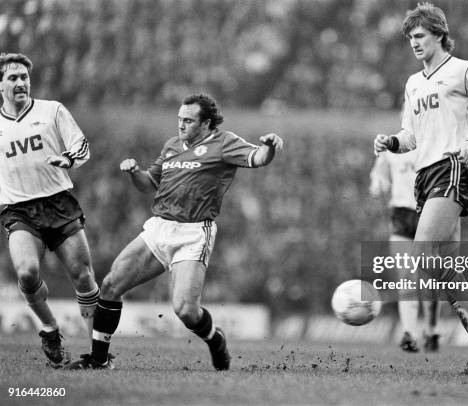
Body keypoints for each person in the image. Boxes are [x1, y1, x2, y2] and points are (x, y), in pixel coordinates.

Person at [69, 94, 283, 370]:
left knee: (185, 310)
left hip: (194, 233)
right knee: (110, 285)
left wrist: (270, 146)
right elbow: (149, 184)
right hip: (159, 227)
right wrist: (135, 172)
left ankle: (214, 338)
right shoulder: (172, 146)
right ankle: (98, 359)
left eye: (188, 120)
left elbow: (258, 158)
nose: (181, 125)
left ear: (206, 123)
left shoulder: (224, 142)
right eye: (179, 119)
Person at [373, 3, 468, 375]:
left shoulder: (464, 70)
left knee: (421, 256)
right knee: (438, 267)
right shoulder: (413, 83)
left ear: (438, 34)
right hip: (424, 177)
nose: (414, 43)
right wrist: (391, 142)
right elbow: (411, 137)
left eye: (419, 36)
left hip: (452, 170)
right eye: (410, 38)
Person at [0, 53, 100, 365]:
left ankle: (99, 352)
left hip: (58, 202)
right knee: (27, 273)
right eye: (13, 77)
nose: (20, 82)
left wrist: (68, 159)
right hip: (19, 209)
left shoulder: (51, 110)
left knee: (83, 276)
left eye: (24, 77)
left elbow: (81, 145)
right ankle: (49, 329)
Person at [369, 150, 441, 352]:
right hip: (401, 214)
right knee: (406, 276)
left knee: (428, 278)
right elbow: (378, 175)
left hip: (429, 212)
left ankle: (431, 329)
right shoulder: (391, 150)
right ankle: (409, 333)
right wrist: (378, 184)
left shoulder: (433, 144)